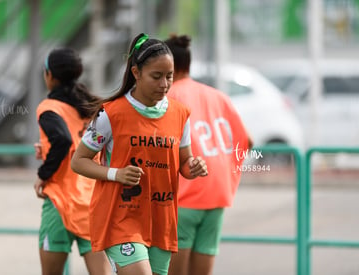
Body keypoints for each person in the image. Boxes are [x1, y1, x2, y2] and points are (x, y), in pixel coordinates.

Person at [70, 33, 208, 275]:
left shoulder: (181, 113)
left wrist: (193, 167)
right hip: (122, 217)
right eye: (156, 77)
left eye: (169, 76)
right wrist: (116, 174)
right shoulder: (111, 114)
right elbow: (78, 161)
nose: (164, 84)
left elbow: (184, 163)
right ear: (136, 73)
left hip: (161, 219)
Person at [164, 34, 253, 275]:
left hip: (183, 197)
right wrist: (226, 169)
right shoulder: (217, 96)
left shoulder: (167, 98)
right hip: (216, 195)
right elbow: (247, 140)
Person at [34, 48, 112, 275]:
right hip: (92, 202)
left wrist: (43, 174)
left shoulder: (49, 108)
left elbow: (63, 140)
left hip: (60, 202)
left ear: (50, 75)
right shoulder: (91, 105)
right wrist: (47, 149)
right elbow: (82, 143)